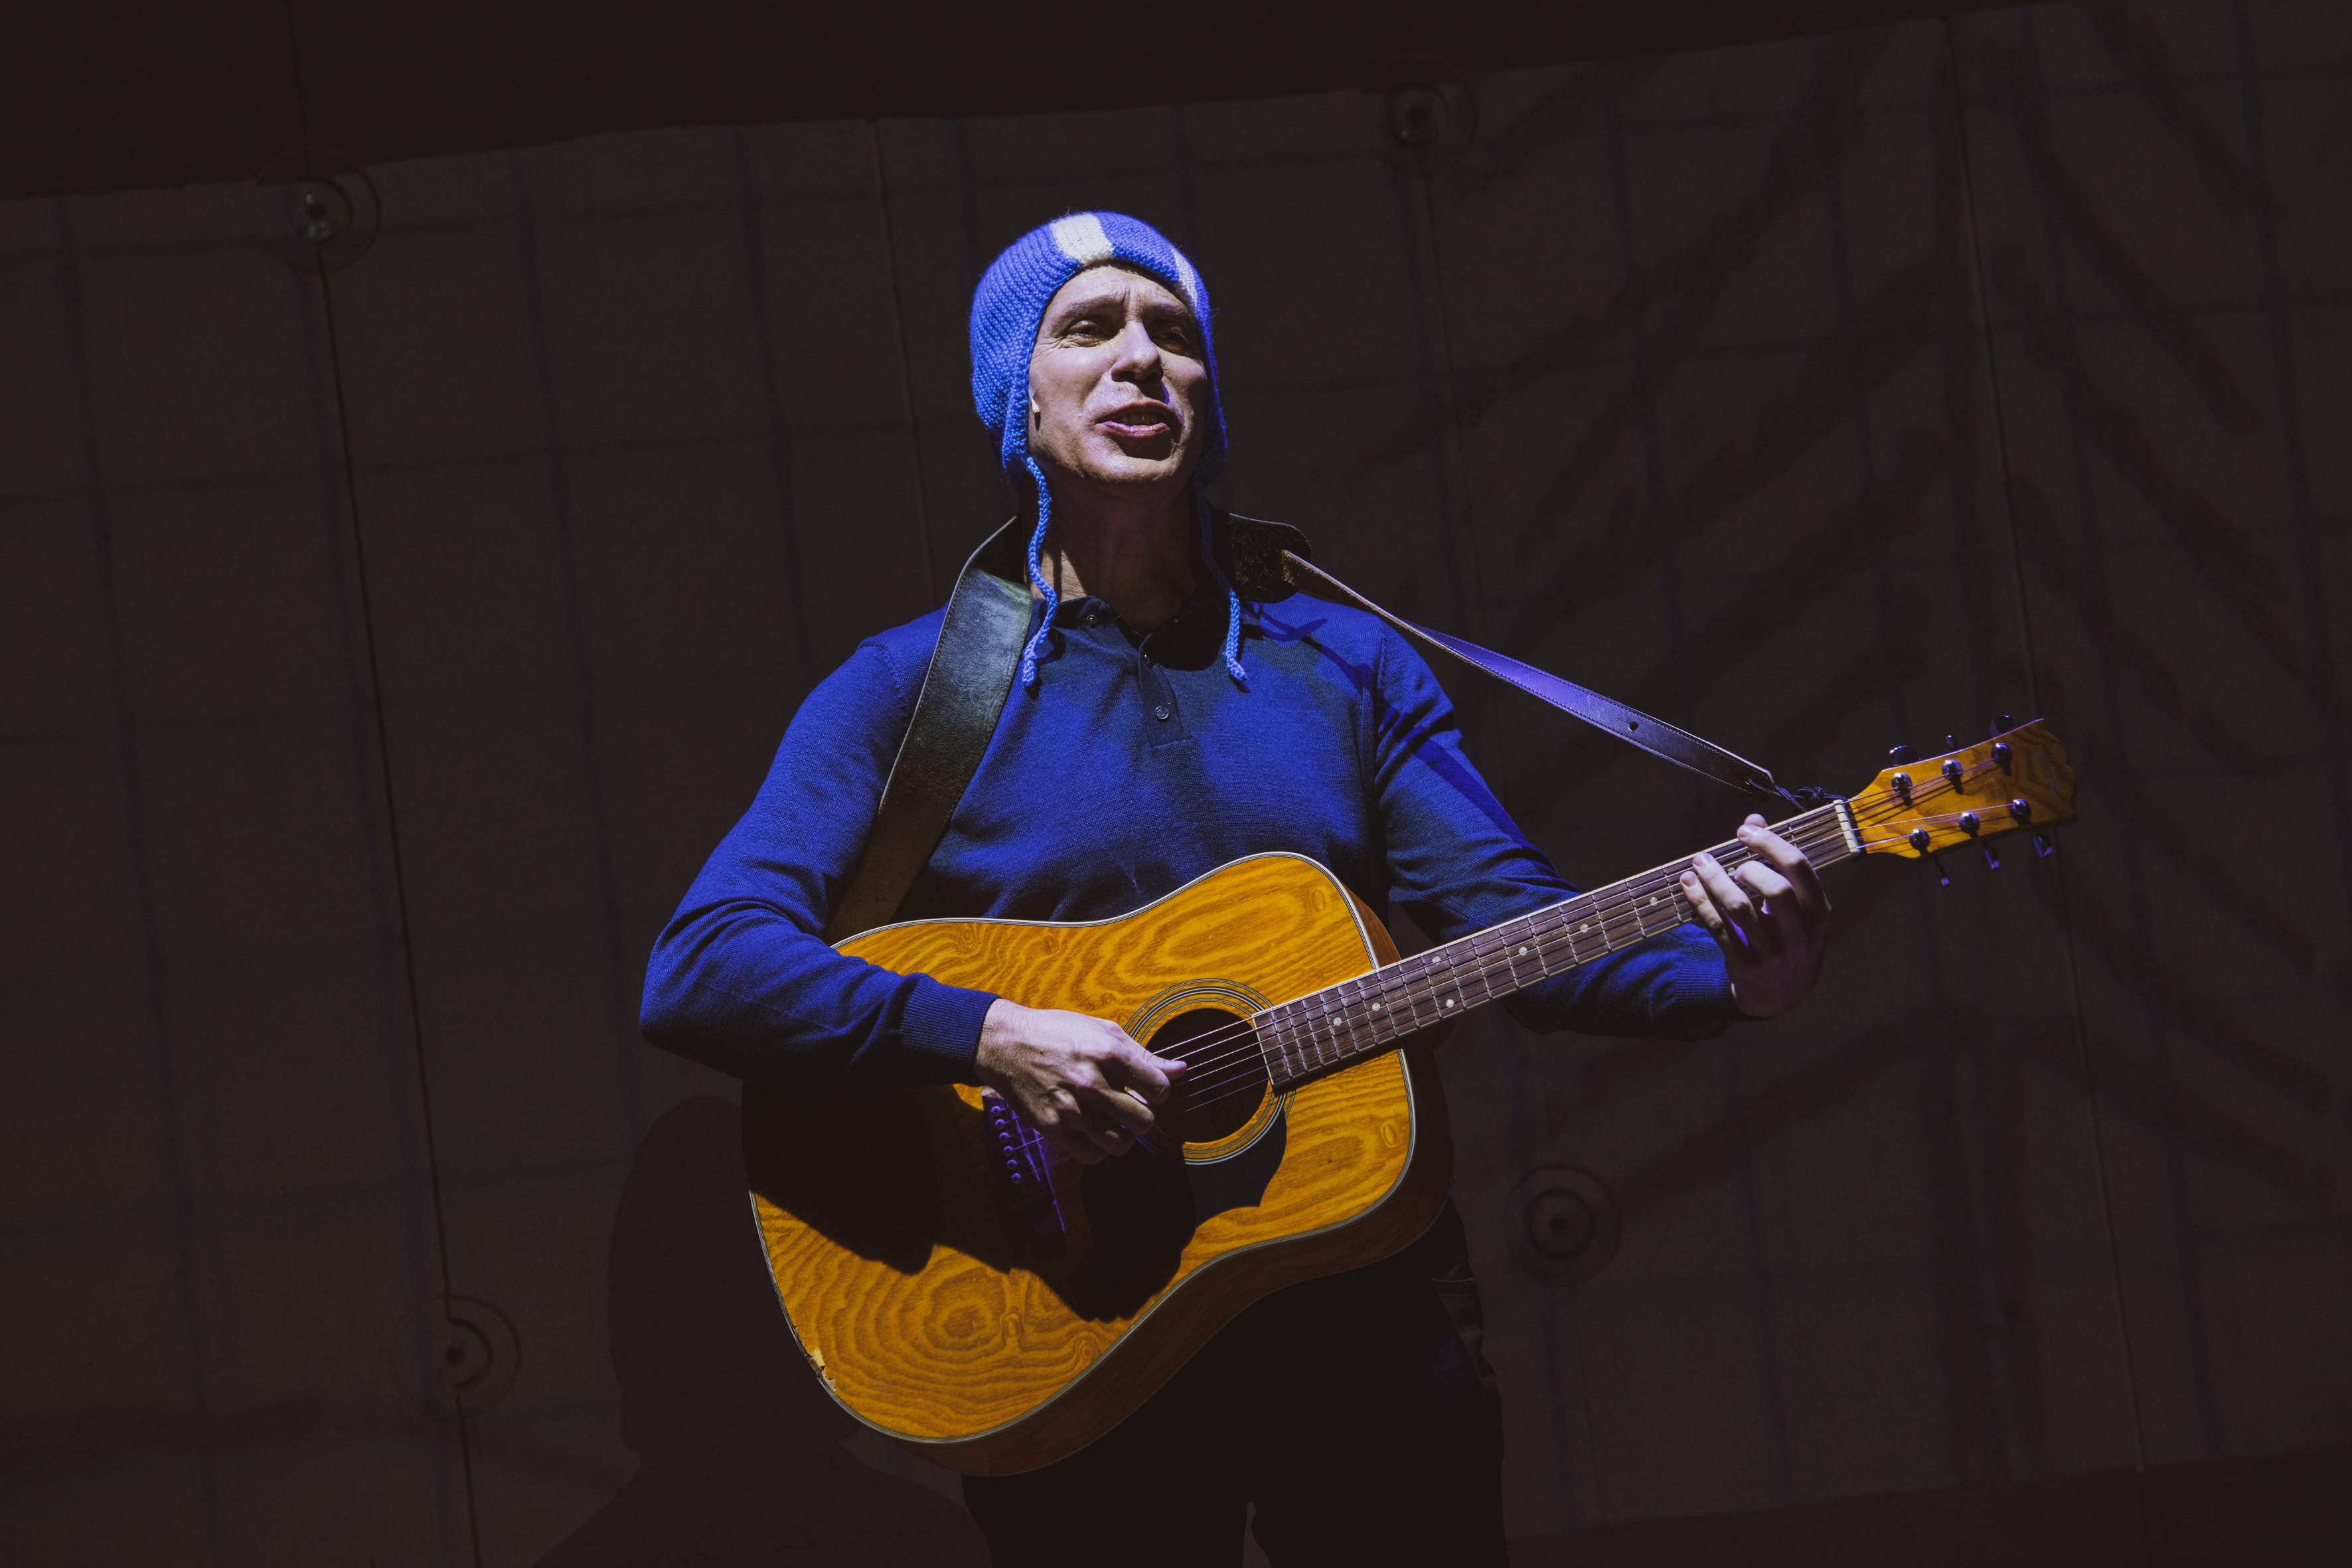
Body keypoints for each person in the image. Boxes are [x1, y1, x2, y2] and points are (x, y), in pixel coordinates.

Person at [641, 212, 1831, 1566]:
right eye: (1088, 329)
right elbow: (704, 965)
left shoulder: (1346, 665)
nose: (1140, 359)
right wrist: (993, 1036)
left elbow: (1513, 927)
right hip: (1071, 1313)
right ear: (1015, 395)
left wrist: (1735, 981)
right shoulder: (910, 688)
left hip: (1357, 1290)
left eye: (1174, 333)